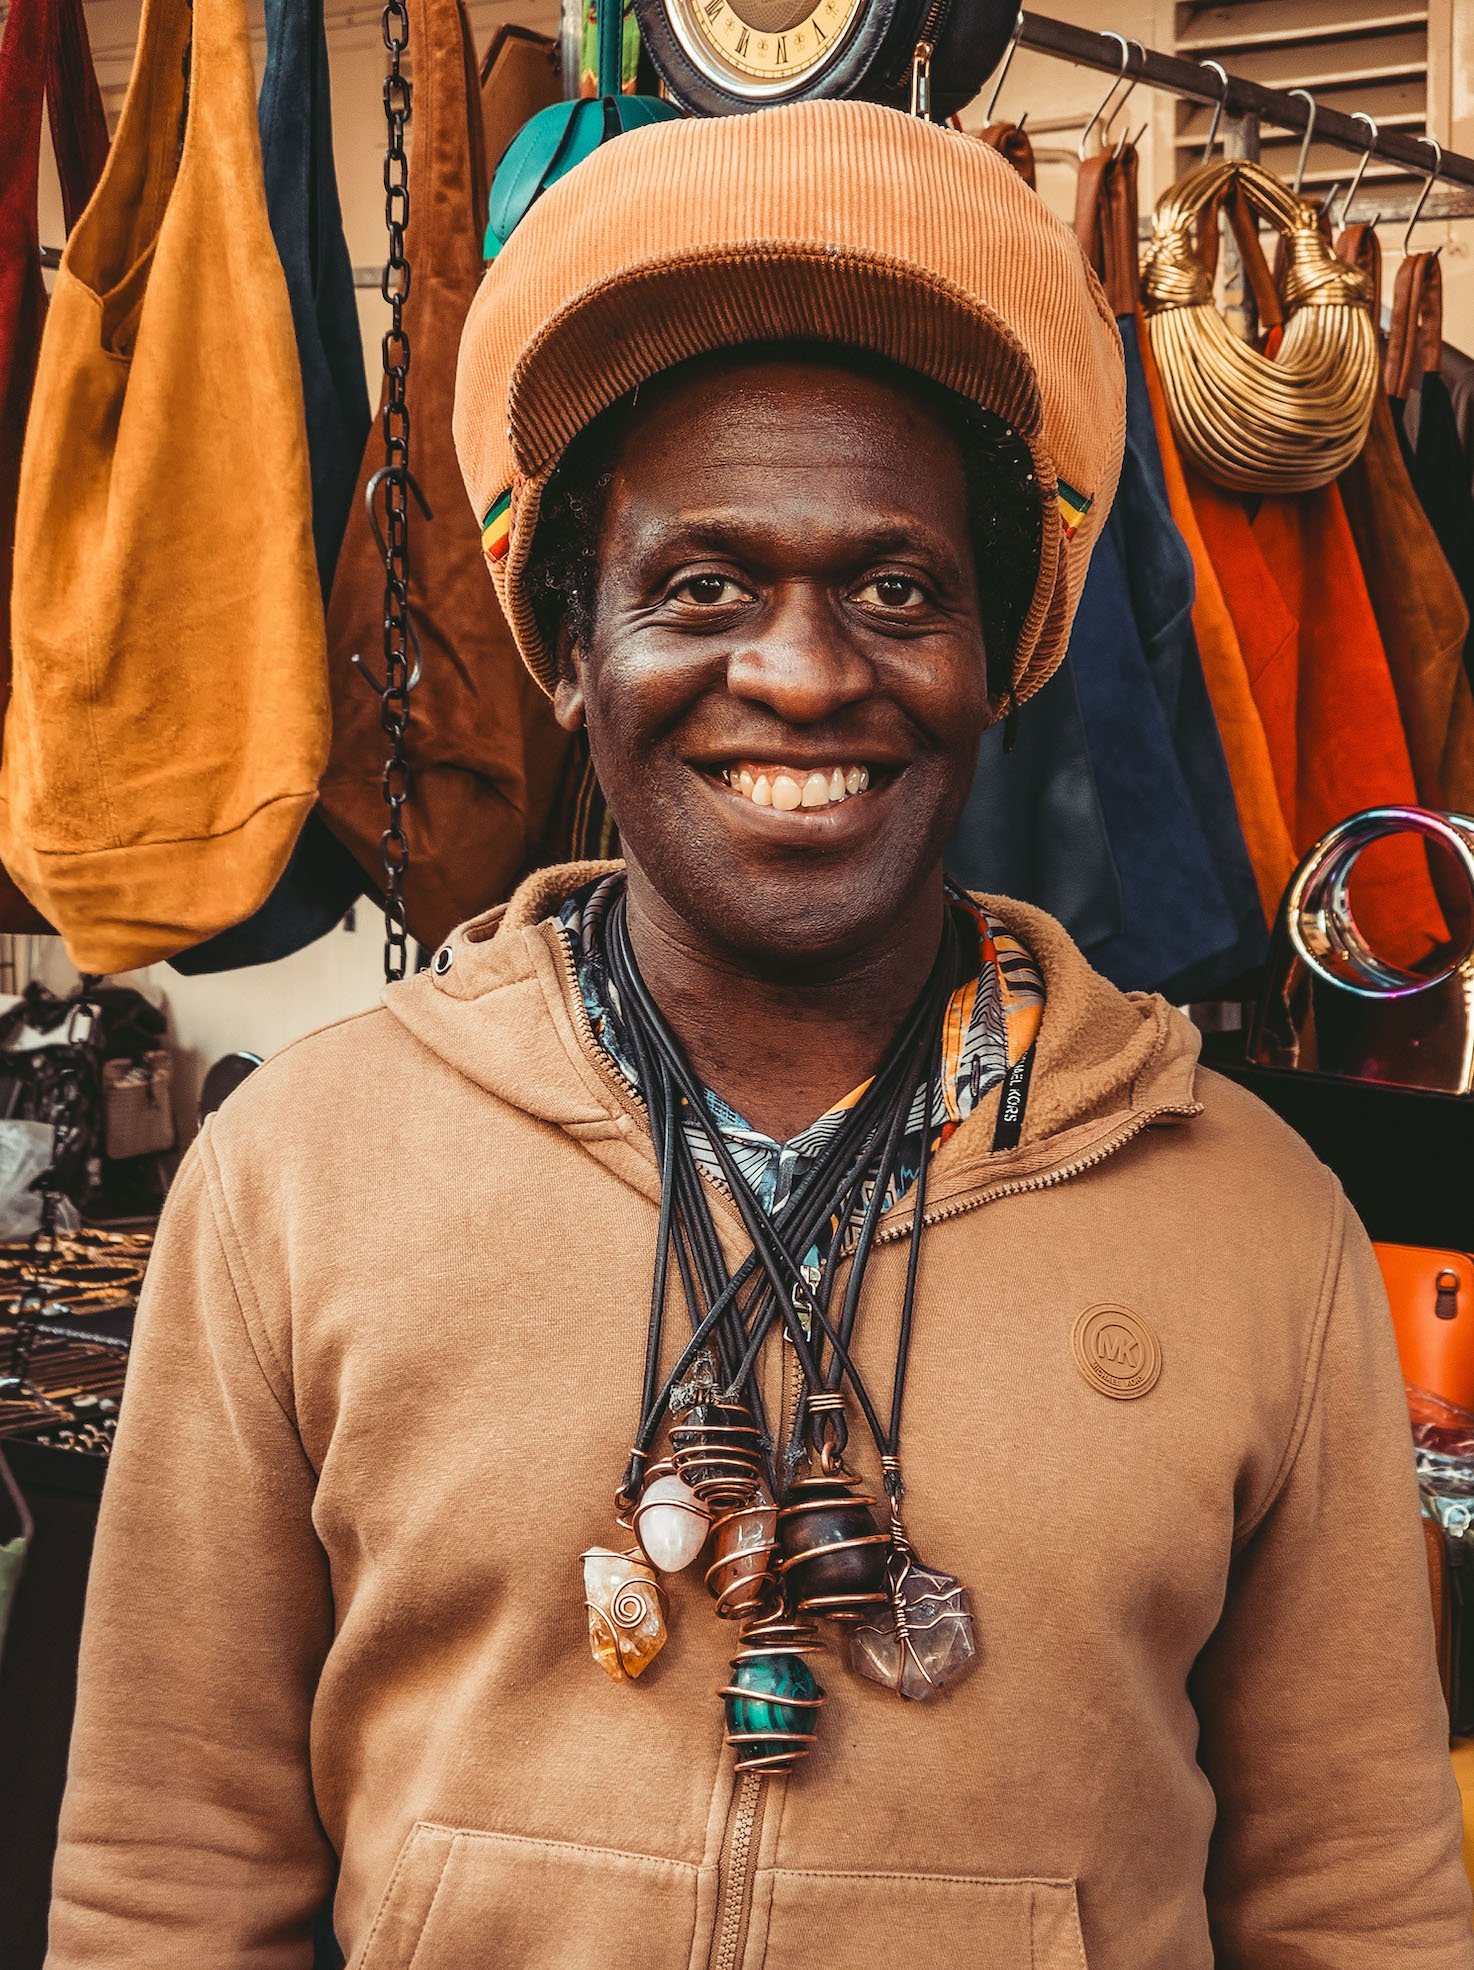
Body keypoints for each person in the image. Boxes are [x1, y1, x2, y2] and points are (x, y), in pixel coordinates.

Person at [46, 100, 1472, 1970]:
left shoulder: (1256, 1226)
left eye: (894, 588)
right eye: (699, 586)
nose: (802, 675)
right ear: (570, 646)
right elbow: (166, 1883)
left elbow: (1355, 1906)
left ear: (1000, 655)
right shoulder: (302, 1177)